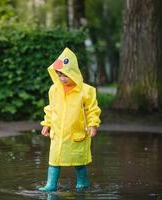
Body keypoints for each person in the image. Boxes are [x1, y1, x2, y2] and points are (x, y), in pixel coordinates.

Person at [39, 47, 101, 192]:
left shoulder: (86, 91)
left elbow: (92, 109)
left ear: (73, 72)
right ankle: (51, 184)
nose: (62, 78)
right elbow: (50, 108)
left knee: (78, 160)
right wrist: (47, 124)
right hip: (58, 134)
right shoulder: (54, 89)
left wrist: (93, 124)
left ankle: (82, 182)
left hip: (76, 132)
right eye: (59, 75)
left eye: (65, 75)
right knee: (54, 160)